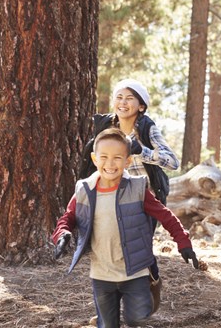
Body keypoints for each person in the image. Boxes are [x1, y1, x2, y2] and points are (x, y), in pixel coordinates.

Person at [53, 128, 199, 328]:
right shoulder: (84, 189)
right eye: (104, 157)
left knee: (136, 318)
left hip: (135, 271)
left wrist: (183, 242)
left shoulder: (137, 189)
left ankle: (152, 289)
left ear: (128, 161)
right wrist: (62, 233)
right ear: (95, 159)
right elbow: (68, 217)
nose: (110, 164)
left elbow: (166, 216)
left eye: (117, 158)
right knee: (107, 324)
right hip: (101, 272)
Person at [76, 78, 179, 317]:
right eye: (119, 97)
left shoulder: (146, 128)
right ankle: (109, 308)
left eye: (130, 98)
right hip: (110, 196)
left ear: (141, 106)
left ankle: (152, 283)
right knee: (108, 249)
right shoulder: (104, 125)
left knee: (138, 249)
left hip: (143, 199)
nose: (123, 103)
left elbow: (173, 161)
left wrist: (140, 150)